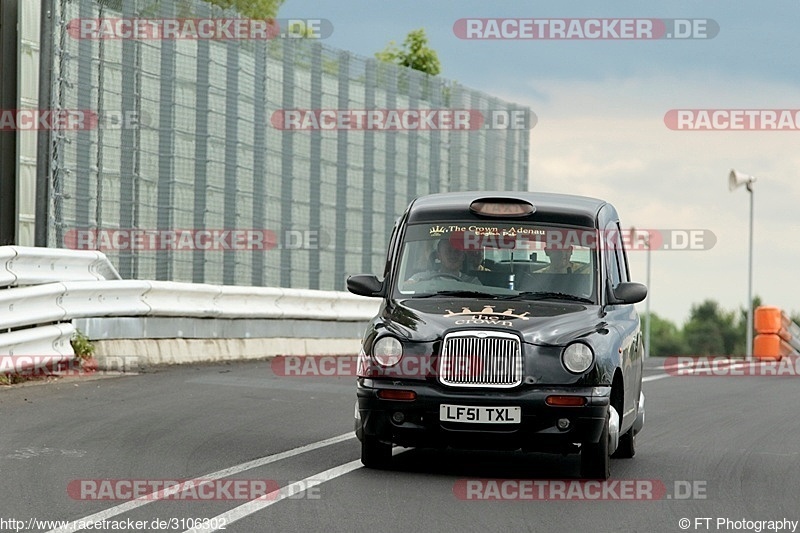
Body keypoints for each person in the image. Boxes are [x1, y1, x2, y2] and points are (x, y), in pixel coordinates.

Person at [407, 239, 481, 284]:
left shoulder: (472, 282)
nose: (452, 255)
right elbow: (406, 287)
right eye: (448, 251)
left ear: (463, 256)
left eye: (457, 251)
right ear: (438, 255)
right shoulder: (423, 278)